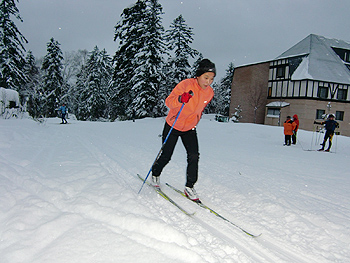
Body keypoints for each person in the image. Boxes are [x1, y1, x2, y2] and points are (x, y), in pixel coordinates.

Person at [151, 59, 216, 201]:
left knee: (194, 156)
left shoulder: (209, 93)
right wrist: (180, 98)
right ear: (198, 75)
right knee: (166, 155)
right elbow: (169, 101)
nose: (208, 82)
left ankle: (189, 186)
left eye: (211, 79)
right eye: (206, 77)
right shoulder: (186, 85)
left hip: (190, 127)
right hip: (173, 124)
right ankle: (155, 173)